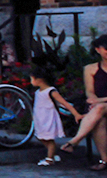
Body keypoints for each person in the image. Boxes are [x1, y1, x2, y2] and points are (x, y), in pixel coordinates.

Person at [61, 34, 107, 169]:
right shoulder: (90, 69)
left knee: (97, 108)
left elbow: (95, 100)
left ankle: (75, 141)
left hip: (100, 104)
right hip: (100, 106)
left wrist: (100, 100)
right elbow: (89, 91)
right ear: (98, 50)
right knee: (99, 119)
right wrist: (95, 100)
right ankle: (104, 160)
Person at [30, 68, 81, 167]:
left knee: (49, 139)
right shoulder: (38, 92)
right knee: (41, 136)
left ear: (39, 80)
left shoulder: (51, 91)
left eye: (32, 79)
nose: (31, 82)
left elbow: (64, 103)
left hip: (48, 118)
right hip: (40, 118)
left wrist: (76, 114)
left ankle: (50, 159)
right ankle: (52, 154)